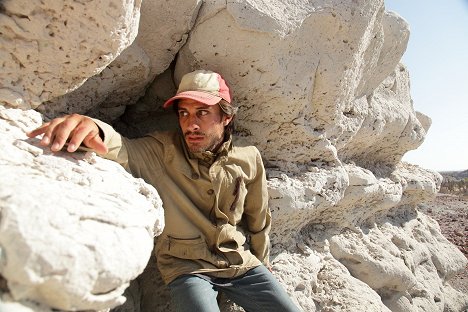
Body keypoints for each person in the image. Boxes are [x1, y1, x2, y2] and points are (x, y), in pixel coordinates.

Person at [28, 69, 301, 312]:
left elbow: (258, 218)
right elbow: (121, 148)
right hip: (187, 268)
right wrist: (92, 127)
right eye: (184, 113)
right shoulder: (161, 150)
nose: (191, 124)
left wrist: (262, 262)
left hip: (239, 262)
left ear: (226, 117)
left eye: (202, 113)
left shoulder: (248, 157)